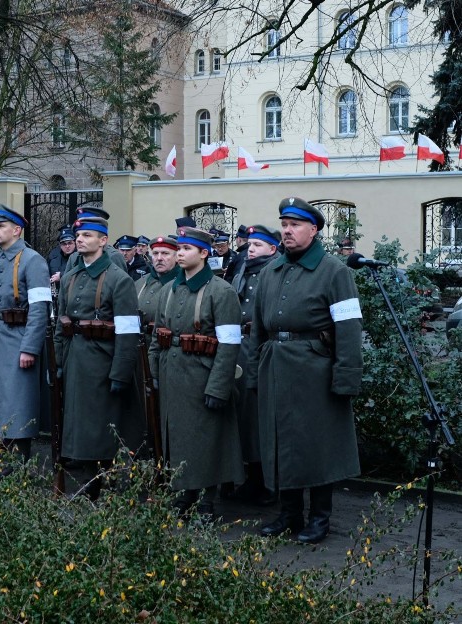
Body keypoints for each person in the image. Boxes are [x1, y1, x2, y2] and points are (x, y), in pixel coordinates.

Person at [246, 197, 363, 545]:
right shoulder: (271, 270)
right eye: (284, 224)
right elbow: (257, 329)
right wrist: (254, 373)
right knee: (281, 442)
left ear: (313, 230)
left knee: (318, 444)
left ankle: (320, 517)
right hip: (275, 368)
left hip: (315, 370)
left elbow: (349, 327)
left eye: (295, 225)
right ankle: (289, 513)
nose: (287, 231)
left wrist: (345, 378)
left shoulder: (334, 271)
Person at [148, 226, 243, 519]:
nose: (181, 255)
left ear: (204, 253)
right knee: (177, 438)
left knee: (205, 439)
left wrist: (218, 386)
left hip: (202, 375)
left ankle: (206, 500)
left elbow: (229, 344)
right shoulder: (168, 290)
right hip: (171, 374)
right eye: (181, 249)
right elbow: (157, 337)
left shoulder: (221, 291)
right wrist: (153, 375)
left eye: (187, 249)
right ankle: (184, 493)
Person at [54, 216, 142, 500]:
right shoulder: (70, 277)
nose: (80, 240)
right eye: (79, 235)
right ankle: (88, 479)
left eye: (88, 235)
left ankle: (103, 482)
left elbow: (128, 333)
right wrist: (58, 361)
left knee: (101, 424)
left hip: (103, 361)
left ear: (103, 241)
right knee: (79, 423)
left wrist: (120, 373)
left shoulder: (119, 280)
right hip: (75, 358)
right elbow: (60, 325)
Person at [0, 205, 51, 472]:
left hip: (20, 339)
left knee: (19, 400)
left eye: (1, 226)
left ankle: (18, 462)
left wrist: (29, 348)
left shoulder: (33, 261)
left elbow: (40, 308)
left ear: (17, 230)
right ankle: (5, 454)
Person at [229, 225, 280, 505]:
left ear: (272, 249)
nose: (251, 249)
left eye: (258, 245)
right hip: (239, 346)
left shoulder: (274, 272)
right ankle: (251, 477)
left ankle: (268, 482)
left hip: (261, 348)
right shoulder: (242, 270)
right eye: (250, 244)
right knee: (243, 416)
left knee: (260, 416)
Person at [137, 235, 180, 345]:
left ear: (177, 257)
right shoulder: (140, 283)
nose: (159, 258)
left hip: (166, 347)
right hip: (139, 346)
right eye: (155, 253)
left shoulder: (181, 284)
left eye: (165, 253)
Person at [65, 207, 126, 272]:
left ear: (103, 240)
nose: (78, 239)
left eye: (87, 235)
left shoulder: (114, 257)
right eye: (77, 235)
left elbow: (120, 280)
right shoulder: (74, 258)